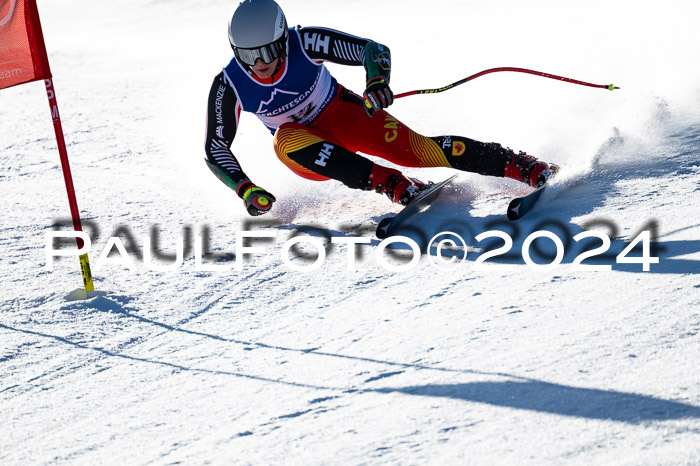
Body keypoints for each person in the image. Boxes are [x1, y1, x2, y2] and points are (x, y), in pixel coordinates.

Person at [204, 0, 558, 216]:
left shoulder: (304, 40)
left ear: (282, 38)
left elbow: (371, 50)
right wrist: (246, 189)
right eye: (247, 55)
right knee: (284, 138)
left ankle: (517, 164)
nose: (259, 64)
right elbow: (215, 147)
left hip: (345, 115)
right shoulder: (230, 84)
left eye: (267, 51)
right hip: (306, 151)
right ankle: (388, 183)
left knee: (418, 150)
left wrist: (376, 82)